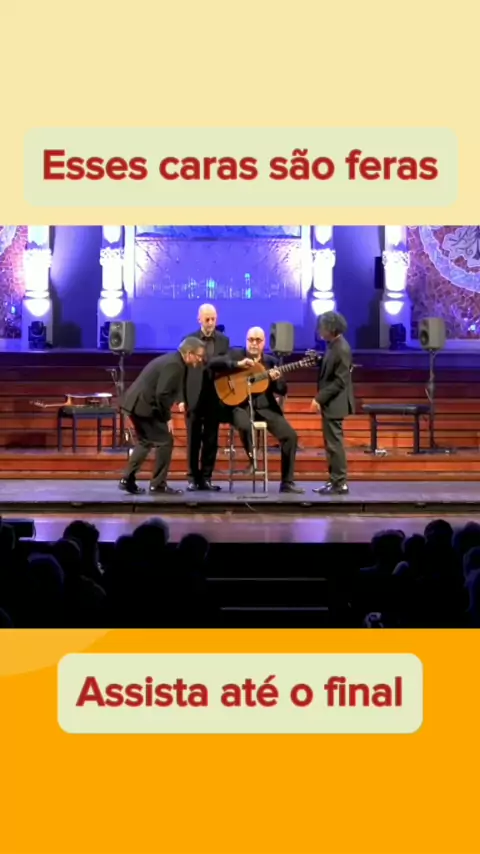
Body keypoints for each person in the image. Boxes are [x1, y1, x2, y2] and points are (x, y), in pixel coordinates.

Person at [219, 327, 304, 494]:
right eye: (251, 340)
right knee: (244, 424)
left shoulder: (271, 362)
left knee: (290, 436)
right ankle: (253, 460)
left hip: (266, 407)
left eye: (258, 340)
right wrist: (236, 366)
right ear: (246, 340)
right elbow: (217, 366)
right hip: (241, 405)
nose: (254, 344)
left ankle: (287, 482)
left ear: (264, 342)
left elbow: (282, 390)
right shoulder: (236, 355)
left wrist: (277, 380)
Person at [119, 337, 205, 495]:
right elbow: (162, 394)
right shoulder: (175, 365)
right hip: (144, 405)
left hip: (137, 403)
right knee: (165, 441)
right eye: (199, 355)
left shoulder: (173, 361)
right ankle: (158, 484)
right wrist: (167, 418)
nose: (200, 359)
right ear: (189, 353)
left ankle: (127, 479)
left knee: (145, 441)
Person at [181, 304, 230, 491]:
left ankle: (207, 477)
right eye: (207, 319)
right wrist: (181, 398)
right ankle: (192, 478)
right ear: (199, 319)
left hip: (215, 396)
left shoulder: (224, 341)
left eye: (213, 319)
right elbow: (182, 371)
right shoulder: (189, 340)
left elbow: (226, 366)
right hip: (193, 396)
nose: (210, 323)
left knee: (211, 439)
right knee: (193, 439)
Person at [310, 311, 354, 495]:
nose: (320, 331)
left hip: (335, 403)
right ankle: (334, 480)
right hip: (331, 403)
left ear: (331, 328)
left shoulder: (342, 348)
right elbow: (330, 368)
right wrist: (318, 360)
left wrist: (319, 398)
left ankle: (340, 482)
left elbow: (340, 381)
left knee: (335, 444)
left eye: (323, 327)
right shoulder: (332, 346)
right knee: (331, 444)